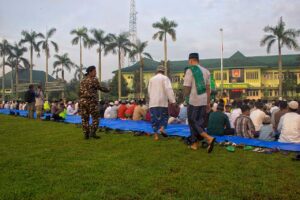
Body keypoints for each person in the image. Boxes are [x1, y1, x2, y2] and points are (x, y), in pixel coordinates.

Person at [183, 53, 215, 152]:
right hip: (204, 101)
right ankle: (194, 143)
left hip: (193, 101)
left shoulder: (190, 70)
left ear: (191, 60)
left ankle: (209, 138)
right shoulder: (206, 71)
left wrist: (185, 97)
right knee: (199, 122)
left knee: (193, 122)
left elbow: (187, 87)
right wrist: (208, 103)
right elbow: (208, 89)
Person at [79, 66, 110, 139]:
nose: (96, 73)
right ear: (90, 72)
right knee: (96, 117)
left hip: (82, 101)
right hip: (91, 102)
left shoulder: (82, 80)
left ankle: (86, 134)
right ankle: (93, 133)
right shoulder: (93, 80)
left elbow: (79, 92)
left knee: (84, 118)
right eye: (94, 71)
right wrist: (108, 89)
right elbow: (100, 88)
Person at [148, 65, 176, 141]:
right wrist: (172, 101)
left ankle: (156, 136)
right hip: (163, 102)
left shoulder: (151, 79)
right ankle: (162, 128)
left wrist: (151, 98)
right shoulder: (165, 78)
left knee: (154, 119)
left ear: (157, 71)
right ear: (163, 71)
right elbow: (169, 89)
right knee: (164, 117)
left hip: (153, 102)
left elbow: (149, 91)